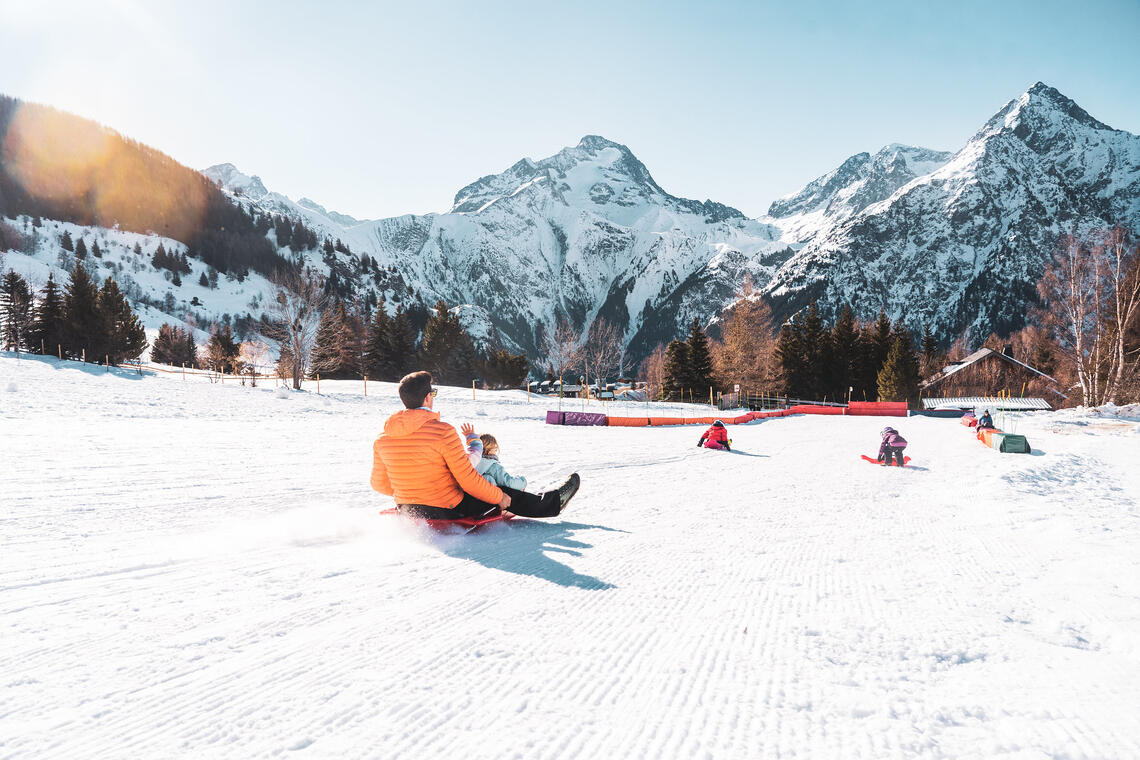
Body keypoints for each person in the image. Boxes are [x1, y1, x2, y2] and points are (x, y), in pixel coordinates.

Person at [371, 371, 579, 521]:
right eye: (432, 393)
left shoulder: (382, 438)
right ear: (427, 397)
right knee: (502, 491)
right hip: (448, 509)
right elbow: (468, 479)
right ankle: (553, 503)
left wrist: (412, 491)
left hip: (408, 508)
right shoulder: (443, 431)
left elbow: (379, 484)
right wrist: (499, 497)